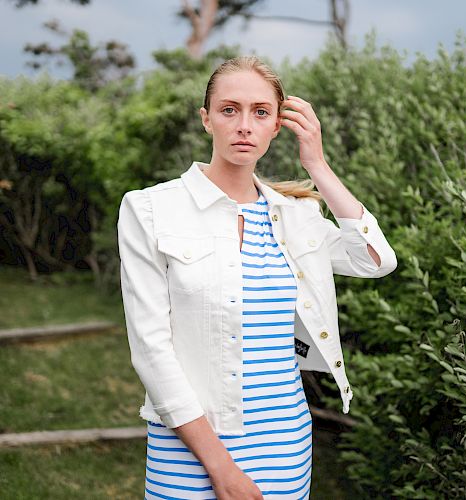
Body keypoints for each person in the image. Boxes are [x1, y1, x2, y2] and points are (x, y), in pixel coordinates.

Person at [117, 55, 397, 499]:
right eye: (229, 110)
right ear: (206, 119)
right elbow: (151, 351)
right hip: (189, 446)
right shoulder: (150, 210)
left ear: (276, 126)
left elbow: (375, 259)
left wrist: (317, 166)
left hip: (285, 442)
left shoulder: (297, 216)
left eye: (260, 112)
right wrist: (220, 469)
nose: (244, 125)